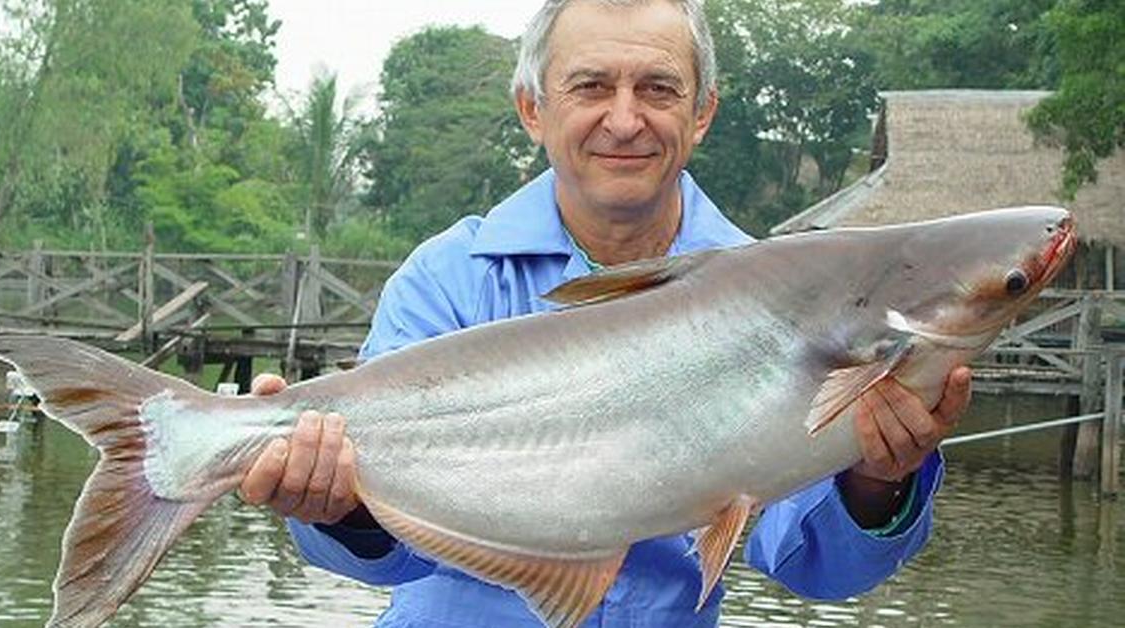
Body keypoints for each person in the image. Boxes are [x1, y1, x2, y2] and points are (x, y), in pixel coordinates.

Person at [239, 0, 972, 625]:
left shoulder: (786, 302)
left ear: (703, 111)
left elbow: (810, 566)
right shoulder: (446, 278)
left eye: (657, 88)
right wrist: (339, 504)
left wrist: (879, 480)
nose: (625, 120)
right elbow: (386, 562)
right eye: (591, 86)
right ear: (534, 108)